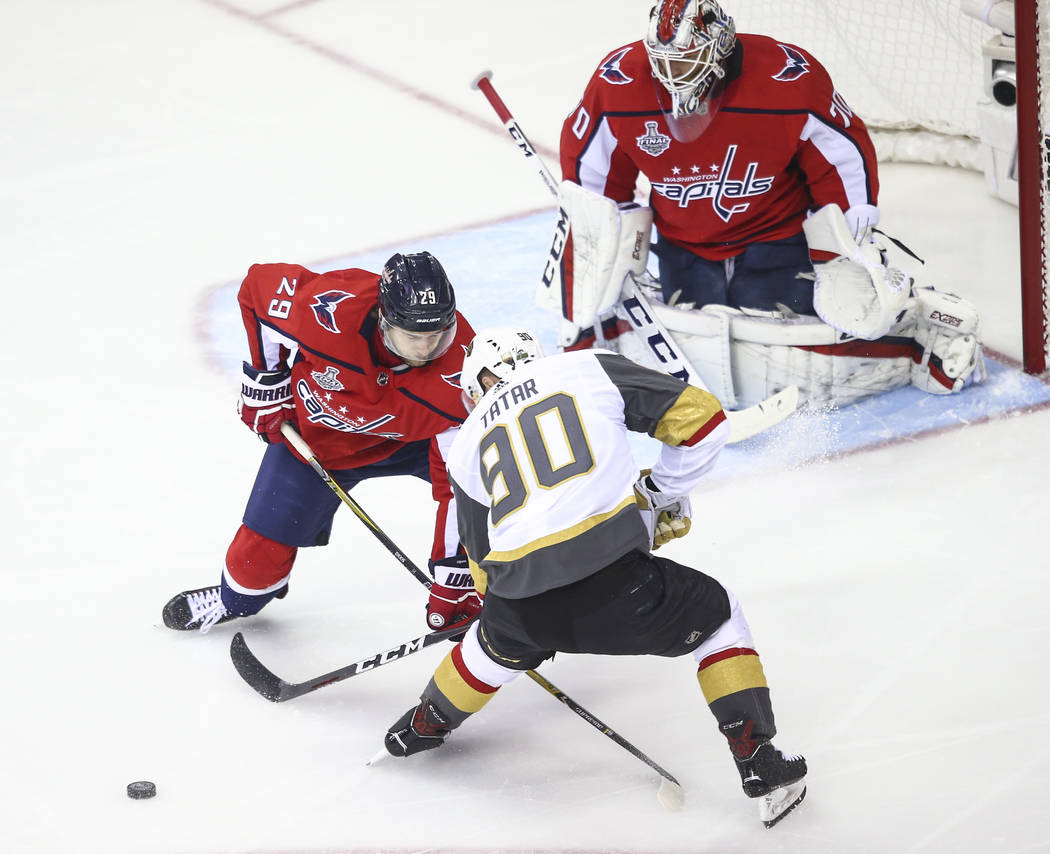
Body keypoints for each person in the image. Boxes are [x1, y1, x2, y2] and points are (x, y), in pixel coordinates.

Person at [381, 326, 807, 828]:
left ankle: (423, 724)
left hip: (520, 602)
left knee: (495, 638)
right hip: (616, 585)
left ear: (477, 385)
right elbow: (704, 420)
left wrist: (509, 623)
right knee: (717, 615)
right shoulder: (584, 367)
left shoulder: (465, 444)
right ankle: (758, 761)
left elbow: (485, 570)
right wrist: (660, 494)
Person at [545, 0, 984, 406]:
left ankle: (920, 336)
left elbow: (842, 149)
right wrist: (609, 232)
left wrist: (846, 227)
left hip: (777, 235)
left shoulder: (786, 77)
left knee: (793, 338)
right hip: (684, 243)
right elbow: (590, 175)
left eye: (684, 59)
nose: (672, 73)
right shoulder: (618, 82)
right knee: (696, 340)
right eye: (663, 61)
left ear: (719, 46)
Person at [162, 252, 482, 635]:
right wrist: (267, 382)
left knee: (498, 500)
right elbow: (258, 291)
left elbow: (461, 485)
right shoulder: (328, 308)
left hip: (414, 444)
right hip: (321, 446)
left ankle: (504, 591)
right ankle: (239, 598)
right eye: (412, 337)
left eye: (436, 336)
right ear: (384, 318)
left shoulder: (463, 372)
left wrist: (453, 572)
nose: (424, 351)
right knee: (251, 575)